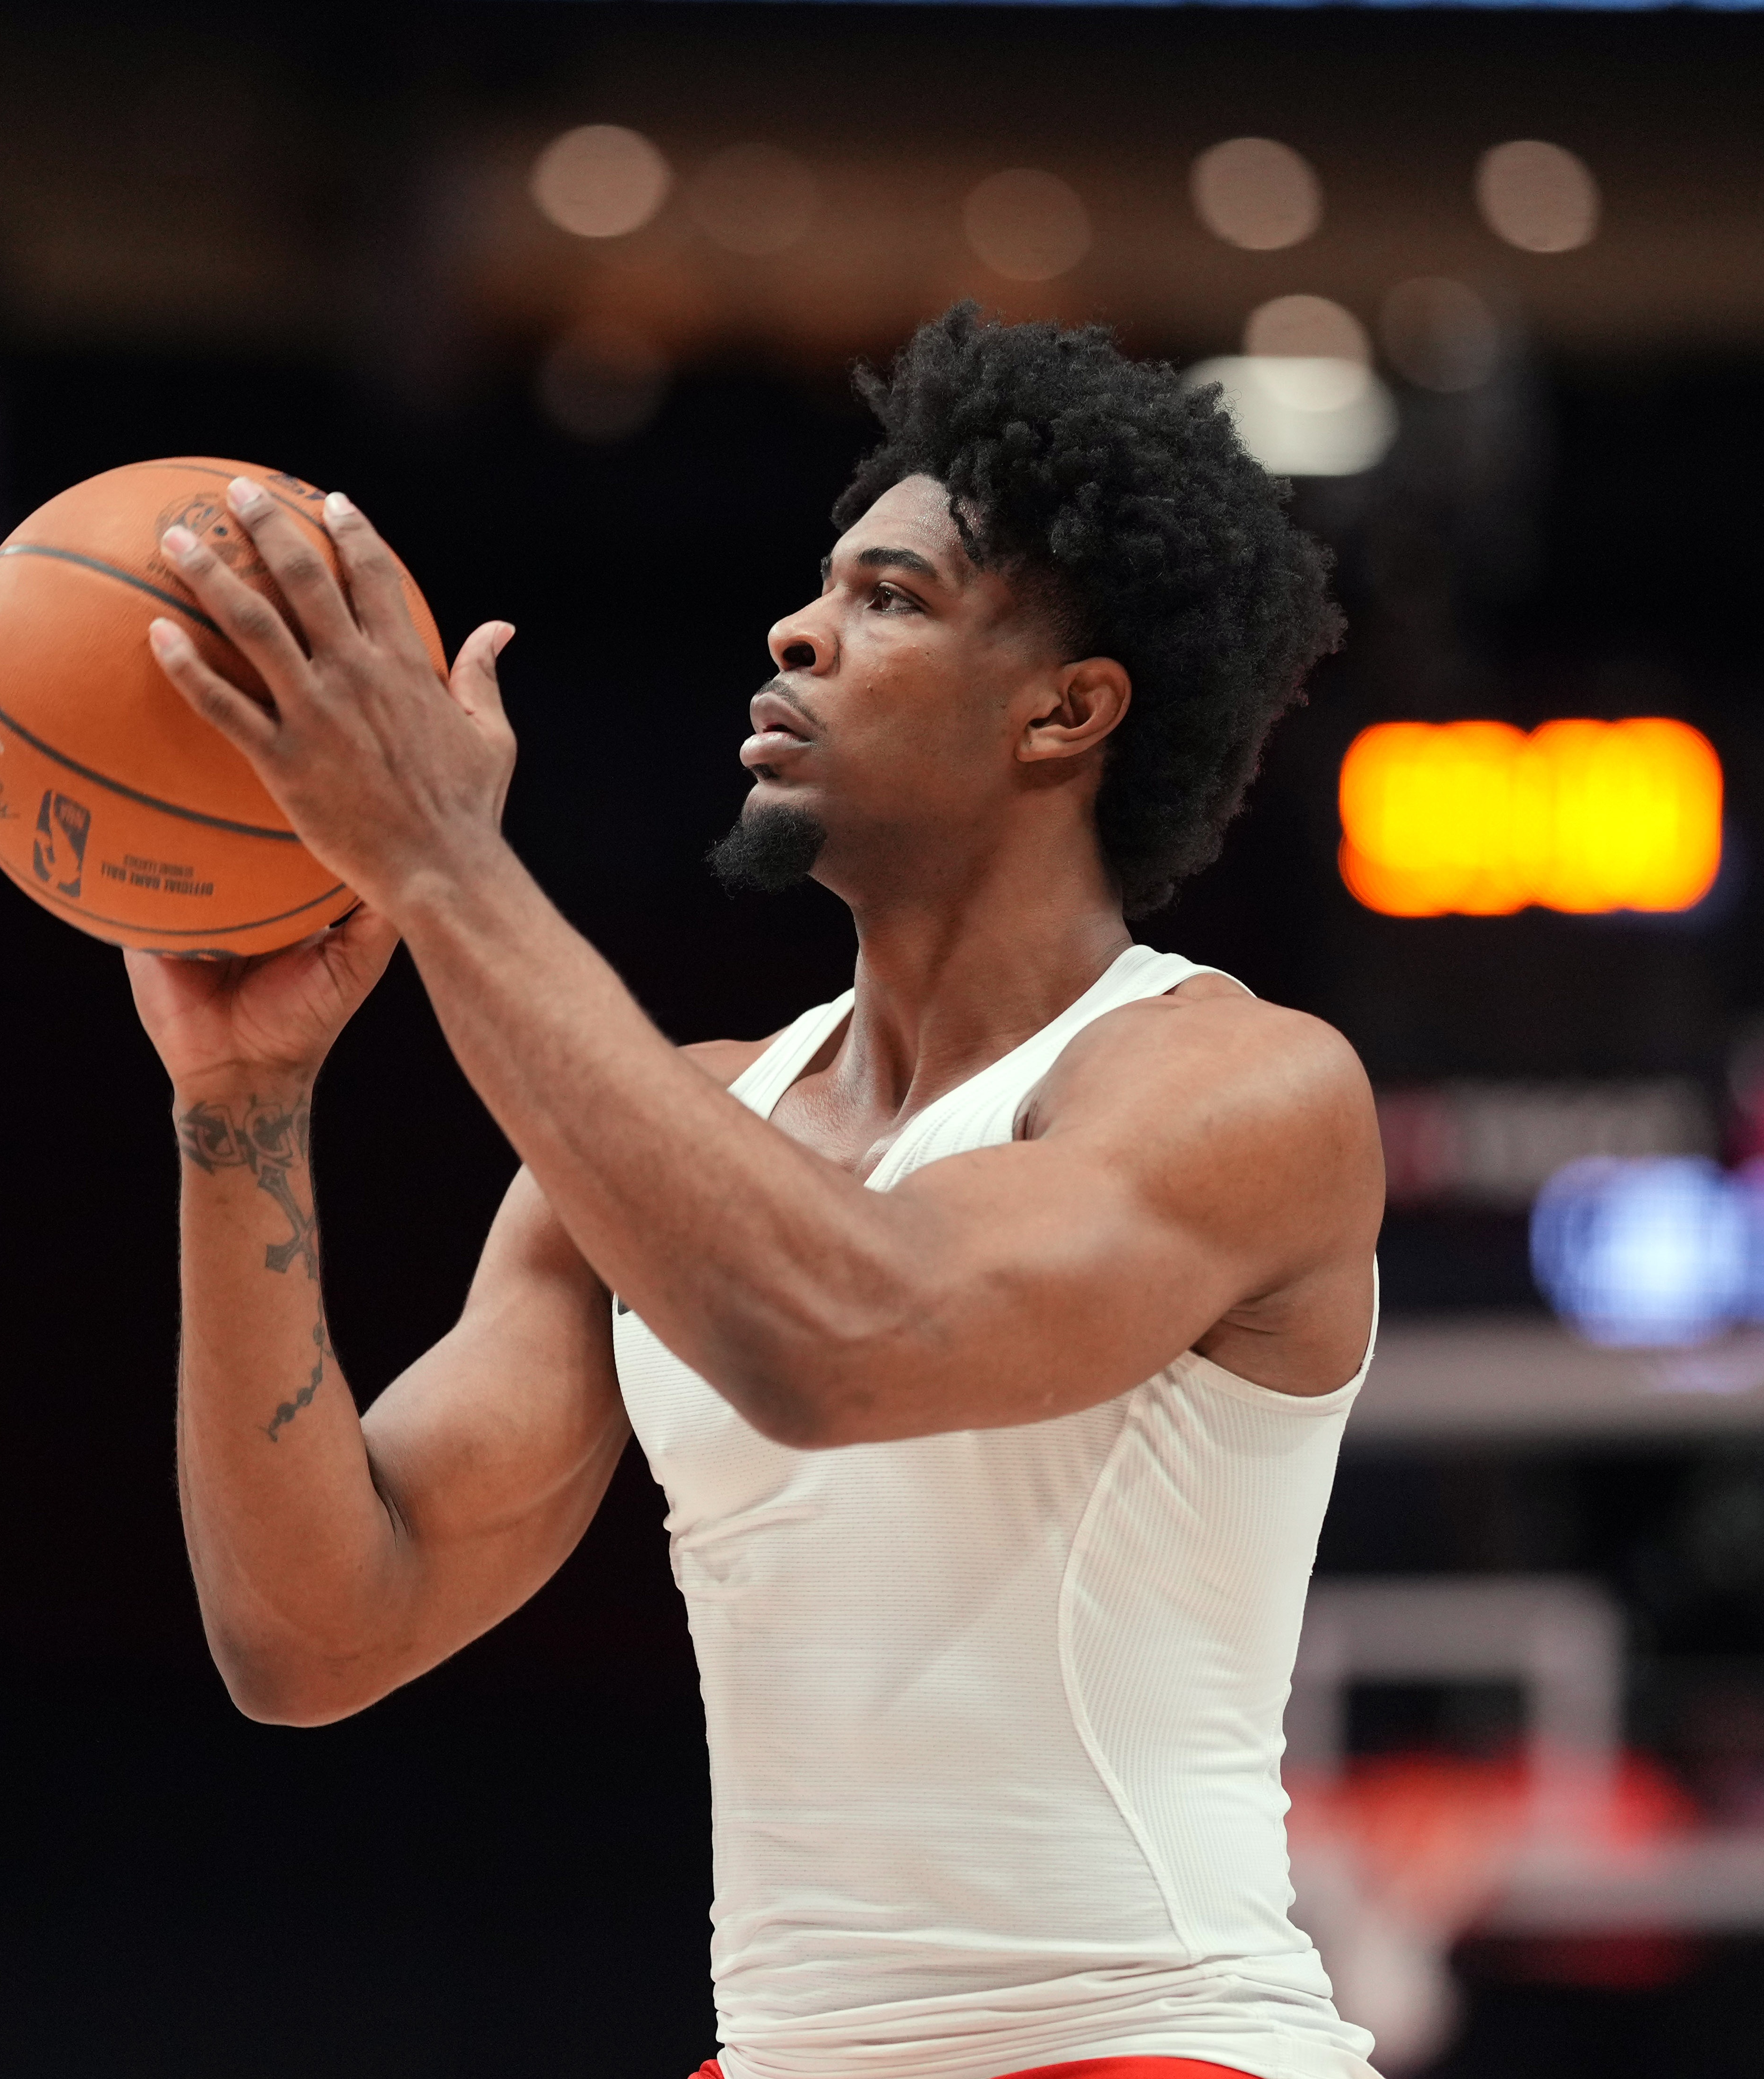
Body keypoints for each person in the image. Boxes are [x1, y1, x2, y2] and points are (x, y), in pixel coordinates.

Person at [127, 308, 1385, 2079]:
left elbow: (845, 1339)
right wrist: (240, 1105)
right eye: (820, 587)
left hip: (1152, 2042)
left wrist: (439, 861)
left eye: (893, 597)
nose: (797, 629)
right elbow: (313, 1633)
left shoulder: (1240, 1086)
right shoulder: (683, 1128)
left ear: (1068, 710)